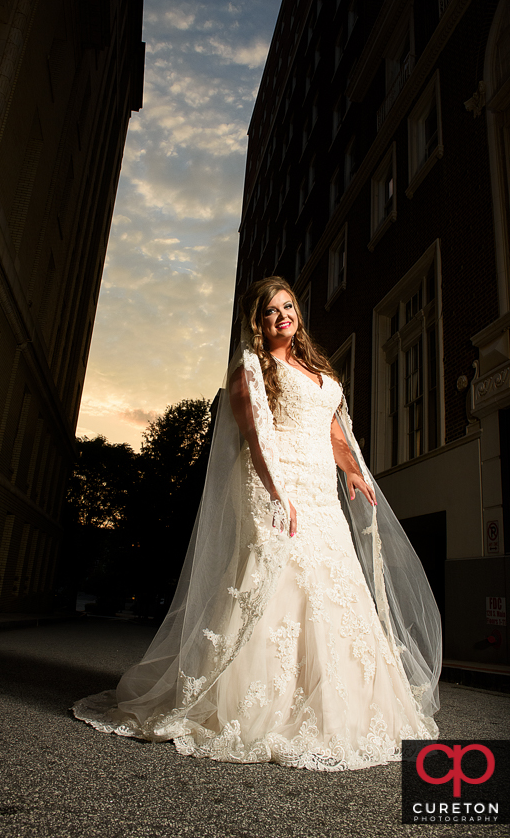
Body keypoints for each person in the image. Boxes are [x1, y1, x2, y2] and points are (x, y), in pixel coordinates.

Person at [73, 276, 441, 770]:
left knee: (335, 590)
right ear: (258, 321)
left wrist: (352, 468)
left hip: (321, 495)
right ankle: (256, 705)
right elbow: (254, 434)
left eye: (288, 307)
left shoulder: (315, 369)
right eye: (271, 311)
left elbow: (330, 425)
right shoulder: (252, 367)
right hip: (283, 487)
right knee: (283, 585)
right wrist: (276, 493)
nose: (282, 316)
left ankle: (333, 702)